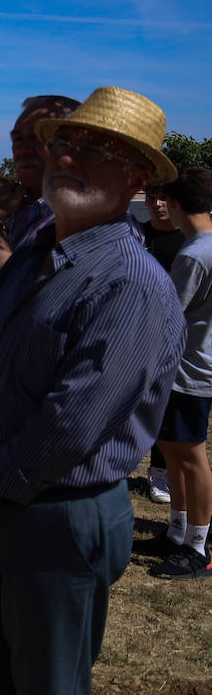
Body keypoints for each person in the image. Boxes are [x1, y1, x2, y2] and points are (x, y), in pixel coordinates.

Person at [0, 87, 183, 695]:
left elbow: (70, 428)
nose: (69, 158)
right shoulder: (30, 257)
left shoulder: (129, 282)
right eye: (64, 143)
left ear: (137, 177)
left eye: (97, 150)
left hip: (57, 520)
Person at [149, 166, 212, 579]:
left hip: (189, 369)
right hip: (186, 367)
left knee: (190, 458)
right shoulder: (202, 245)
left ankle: (199, 545)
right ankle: (176, 531)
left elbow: (167, 313)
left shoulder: (193, 254)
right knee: (171, 452)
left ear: (173, 204)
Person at [0, 95, 82, 296]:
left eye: (38, 138)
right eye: (17, 139)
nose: (24, 150)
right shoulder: (17, 210)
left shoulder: (81, 218)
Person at [141, 182, 185, 504]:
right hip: (134, 333)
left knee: (166, 406)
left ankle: (160, 473)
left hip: (174, 338)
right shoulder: (138, 235)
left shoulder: (188, 241)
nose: (157, 204)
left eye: (163, 198)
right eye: (151, 197)